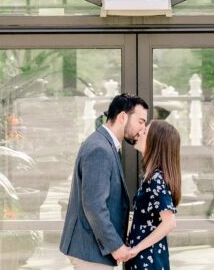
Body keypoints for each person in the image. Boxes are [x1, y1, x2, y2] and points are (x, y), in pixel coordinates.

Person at [60, 93, 149, 268]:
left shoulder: (105, 144)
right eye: (141, 121)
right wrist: (115, 246)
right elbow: (94, 204)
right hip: (89, 251)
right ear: (123, 117)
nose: (143, 128)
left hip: (92, 252)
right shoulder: (100, 149)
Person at [126, 121, 181, 270]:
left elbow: (169, 222)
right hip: (144, 258)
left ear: (154, 142)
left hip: (147, 260)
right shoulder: (152, 177)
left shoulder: (156, 179)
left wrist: (136, 249)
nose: (140, 132)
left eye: (145, 132)